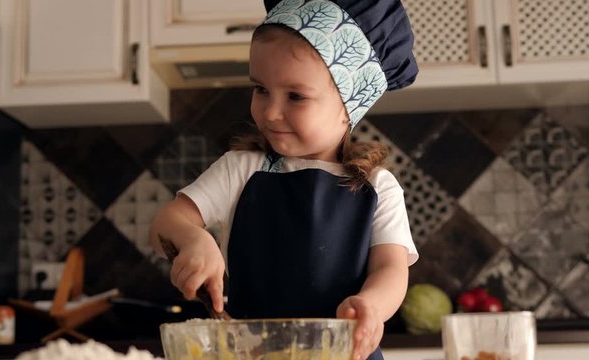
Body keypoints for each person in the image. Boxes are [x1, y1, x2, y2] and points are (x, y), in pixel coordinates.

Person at [149, 1, 419, 359]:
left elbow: (391, 269)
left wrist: (371, 305)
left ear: (348, 106)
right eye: (261, 89)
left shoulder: (377, 187)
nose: (271, 111)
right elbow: (166, 224)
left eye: (295, 96)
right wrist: (193, 238)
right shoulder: (240, 169)